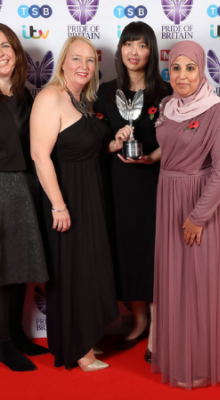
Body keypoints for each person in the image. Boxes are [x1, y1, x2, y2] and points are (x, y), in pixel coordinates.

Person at [30, 36, 127, 371]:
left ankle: (86, 338)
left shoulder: (82, 100)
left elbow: (89, 149)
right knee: (70, 271)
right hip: (66, 196)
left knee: (88, 268)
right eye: (76, 59)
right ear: (62, 62)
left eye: (90, 61)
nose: (84, 66)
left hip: (91, 196)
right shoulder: (50, 97)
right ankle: (77, 350)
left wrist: (114, 143)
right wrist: (58, 204)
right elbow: (40, 156)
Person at [151, 41, 220, 389]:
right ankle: (179, 358)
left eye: (191, 68)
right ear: (168, 71)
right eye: (176, 68)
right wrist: (151, 157)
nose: (183, 75)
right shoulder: (168, 105)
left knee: (201, 284)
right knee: (175, 283)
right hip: (168, 197)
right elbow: (171, 148)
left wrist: (197, 217)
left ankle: (202, 362)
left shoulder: (219, 111)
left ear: (202, 70)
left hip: (202, 203)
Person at [94, 21, 172, 362]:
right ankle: (139, 321)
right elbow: (94, 142)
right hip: (118, 186)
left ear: (152, 51)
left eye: (142, 45)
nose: (134, 52)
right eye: (128, 44)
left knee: (153, 254)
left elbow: (182, 142)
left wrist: (153, 156)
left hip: (155, 184)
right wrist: (114, 143)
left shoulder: (166, 92)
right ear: (120, 50)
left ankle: (158, 328)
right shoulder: (104, 91)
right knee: (126, 251)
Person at [0, 23, 48, 371]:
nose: (0, 53)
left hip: (25, 187)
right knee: (3, 268)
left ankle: (16, 333)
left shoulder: (26, 96)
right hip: (0, 187)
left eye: (4, 46)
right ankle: (3, 343)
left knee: (20, 266)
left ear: (16, 51)